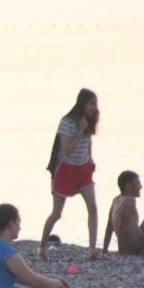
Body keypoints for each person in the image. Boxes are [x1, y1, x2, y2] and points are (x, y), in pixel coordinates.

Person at [39, 88, 104, 261]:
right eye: (91, 103)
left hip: (83, 169)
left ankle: (92, 250)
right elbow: (67, 149)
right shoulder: (67, 122)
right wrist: (80, 131)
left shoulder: (89, 121)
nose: (95, 107)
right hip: (66, 170)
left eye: (95, 103)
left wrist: (90, 160)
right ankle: (42, 247)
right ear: (82, 103)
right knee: (57, 214)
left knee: (93, 208)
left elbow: (88, 142)